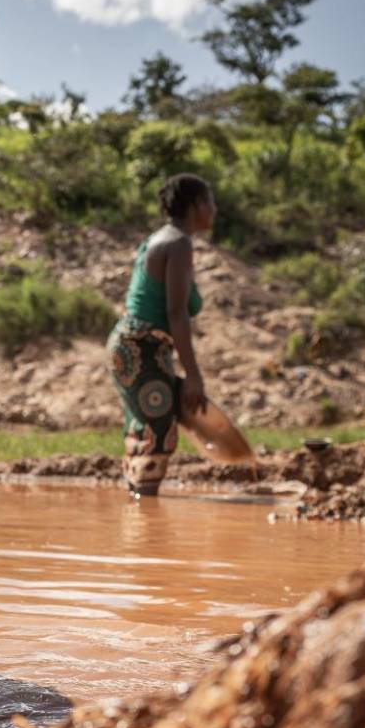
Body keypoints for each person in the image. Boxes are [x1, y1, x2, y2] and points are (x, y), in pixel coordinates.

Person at [108, 173, 216, 497]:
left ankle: (138, 510)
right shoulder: (178, 243)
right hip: (142, 348)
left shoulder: (161, 239)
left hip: (135, 345)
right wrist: (193, 375)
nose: (215, 210)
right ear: (196, 205)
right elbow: (176, 314)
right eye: (211, 202)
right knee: (158, 434)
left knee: (145, 432)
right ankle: (143, 525)